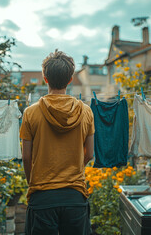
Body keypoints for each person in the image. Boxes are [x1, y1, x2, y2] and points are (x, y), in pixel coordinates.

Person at [20, 49, 95, 235]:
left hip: (42, 198)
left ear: (45, 78)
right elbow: (90, 154)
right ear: (70, 79)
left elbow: (26, 156)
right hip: (75, 197)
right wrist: (75, 168)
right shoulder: (86, 112)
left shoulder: (31, 113)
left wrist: (33, 184)